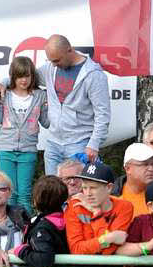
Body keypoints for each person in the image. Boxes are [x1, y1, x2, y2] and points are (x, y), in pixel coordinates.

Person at [18, 34, 111, 175]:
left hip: (80, 144)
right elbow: (26, 78)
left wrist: (94, 144)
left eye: (57, 60)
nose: (54, 64)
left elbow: (102, 114)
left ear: (69, 50)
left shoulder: (93, 75)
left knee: (76, 193)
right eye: (51, 61)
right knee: (52, 192)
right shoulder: (51, 68)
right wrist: (4, 83)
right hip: (53, 143)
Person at [0, 55, 48, 214]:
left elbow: (47, 122)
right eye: (19, 76)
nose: (24, 80)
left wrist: (53, 107)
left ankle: (25, 231)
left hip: (28, 151)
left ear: (32, 76)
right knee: (9, 193)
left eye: (27, 75)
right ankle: (8, 229)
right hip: (5, 150)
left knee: (24, 194)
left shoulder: (40, 96)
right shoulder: (4, 93)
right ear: (12, 76)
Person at [65, 161, 134, 255]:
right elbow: (76, 249)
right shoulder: (75, 205)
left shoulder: (124, 207)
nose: (88, 194)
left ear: (109, 187)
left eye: (93, 188)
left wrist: (96, 212)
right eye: (85, 188)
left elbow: (109, 251)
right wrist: (110, 238)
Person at [13, 175, 68, 267]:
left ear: (36, 200)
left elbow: (44, 261)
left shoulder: (43, 228)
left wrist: (21, 251)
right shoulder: (67, 219)